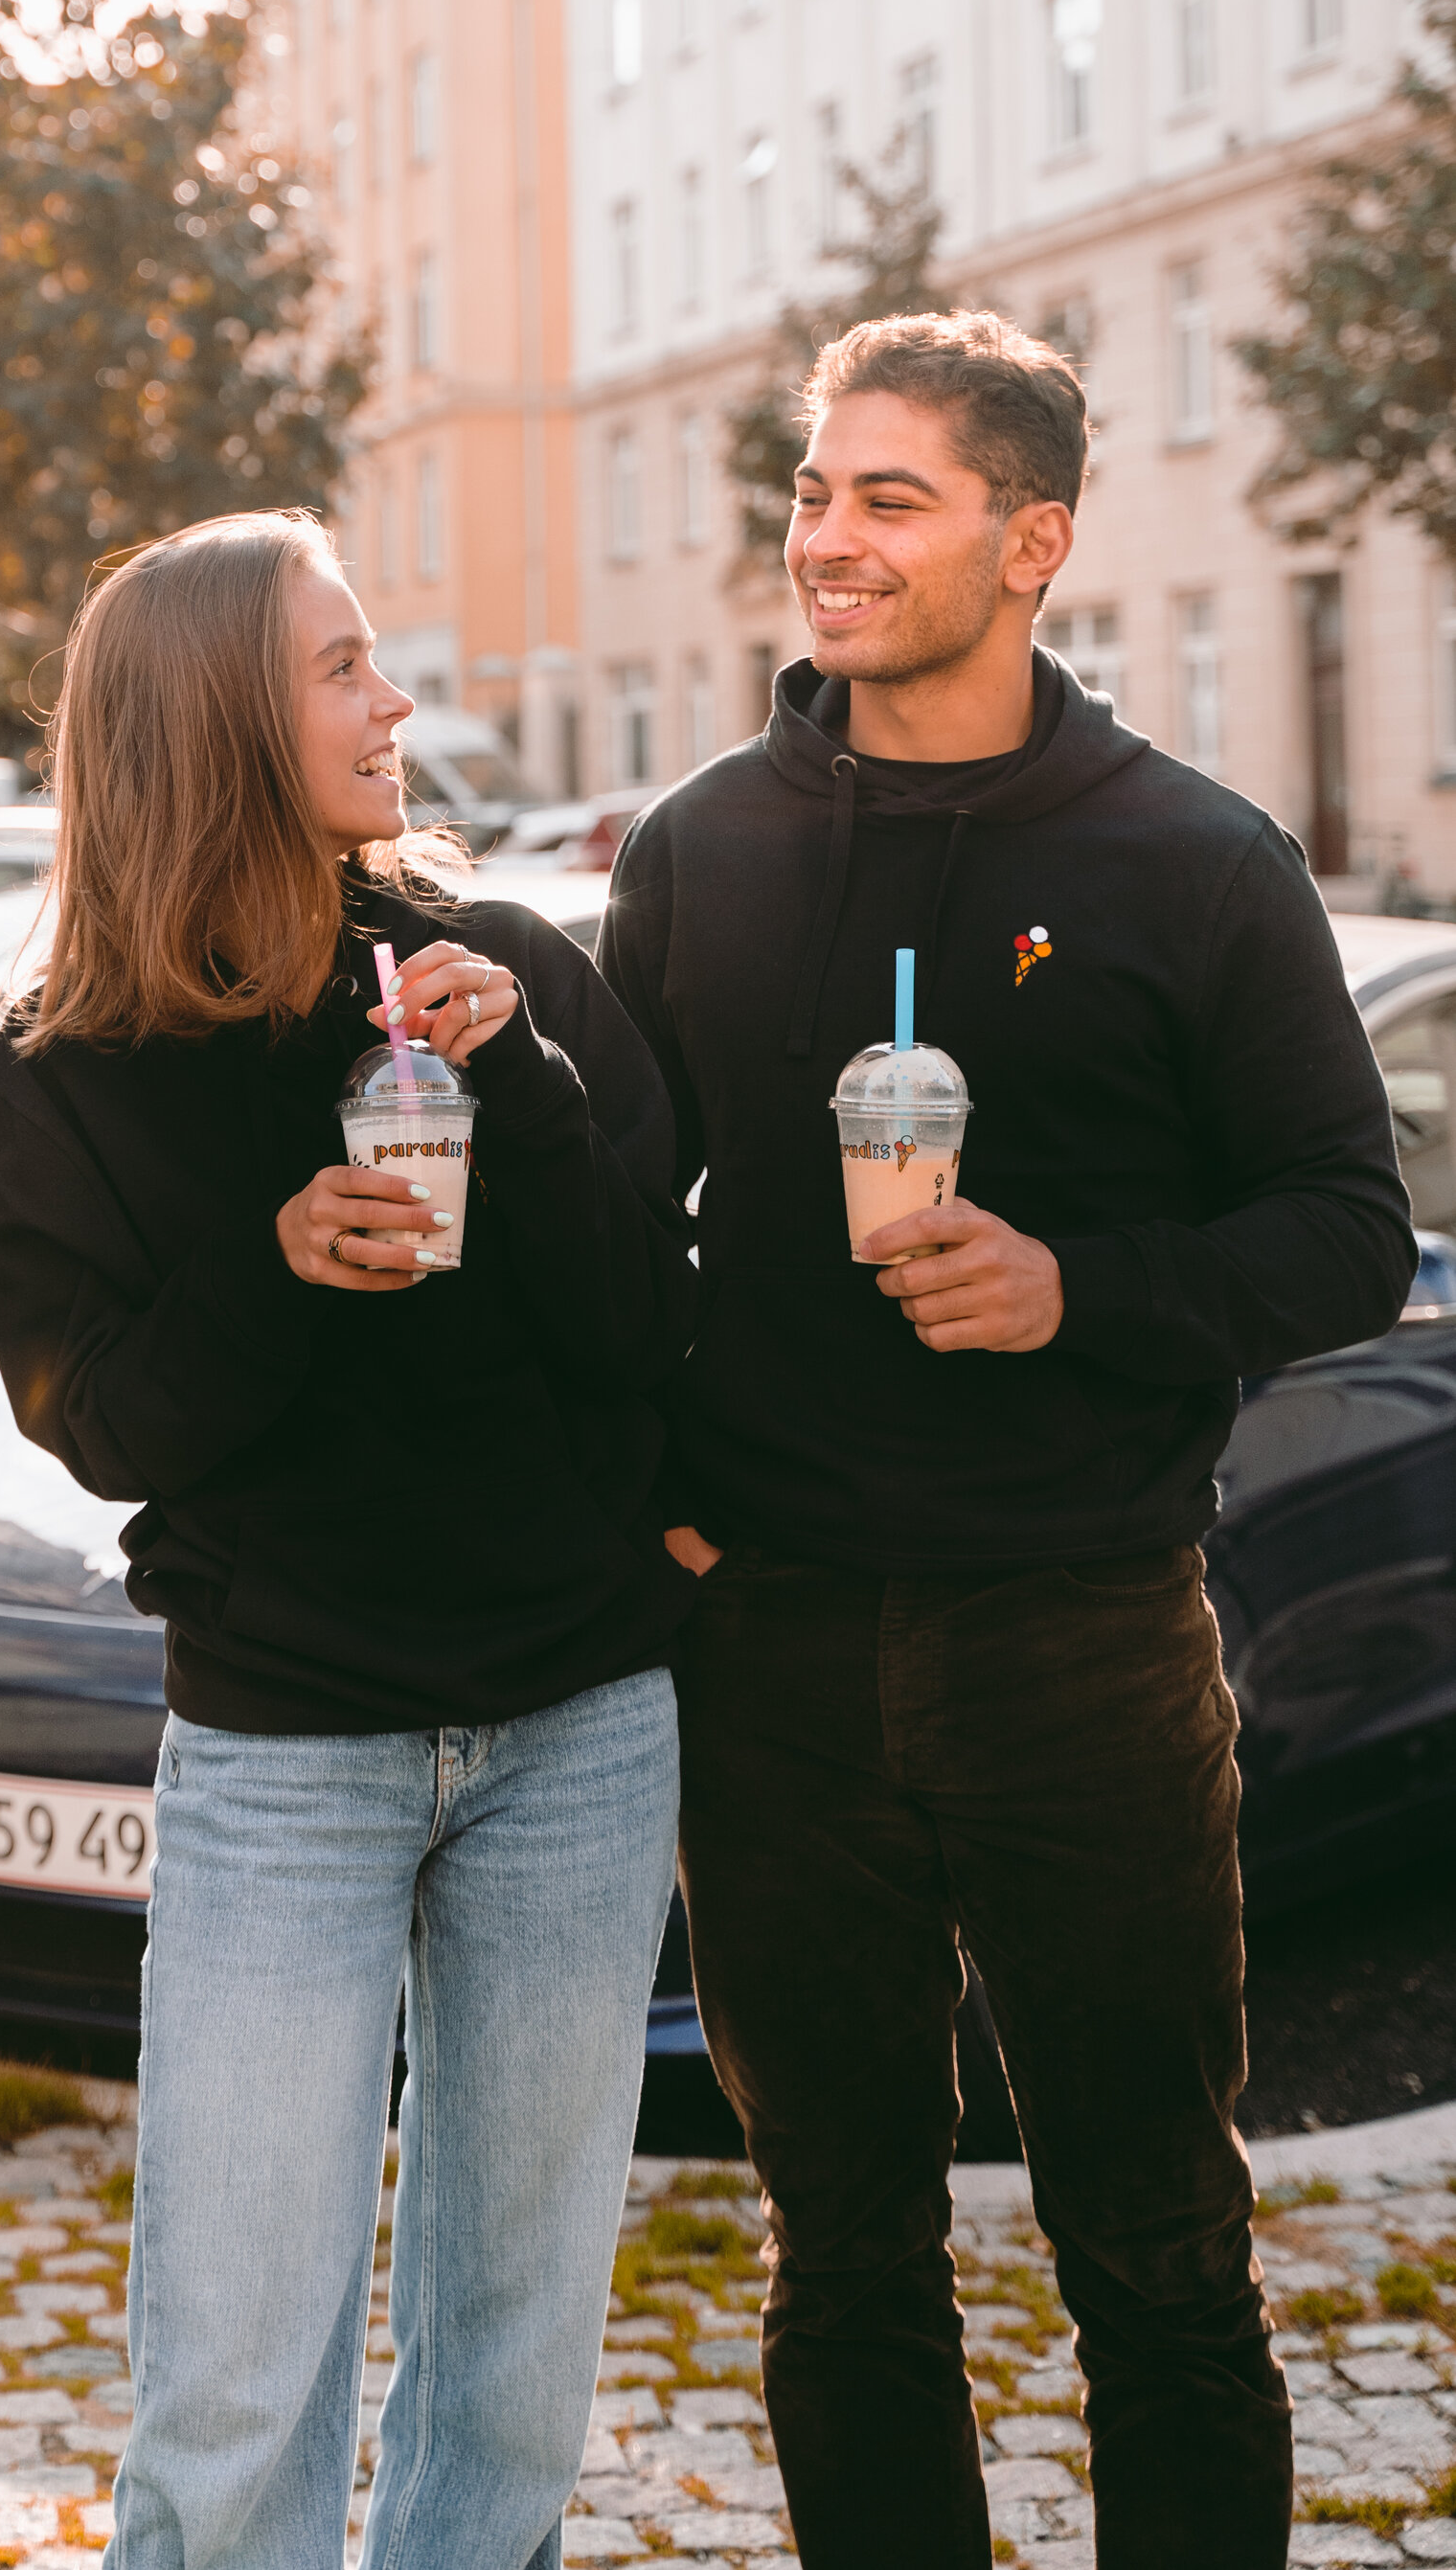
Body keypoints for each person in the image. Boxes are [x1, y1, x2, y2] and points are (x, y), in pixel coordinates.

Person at [598, 312, 1414, 2570]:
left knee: (1154, 2245)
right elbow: (604, 1226)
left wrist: (1081, 1293)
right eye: (812, 493)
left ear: (1029, 540)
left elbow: (1346, 1227)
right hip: (767, 1662)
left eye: (889, 498)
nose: (825, 539)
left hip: (1084, 1642)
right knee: (835, 2255)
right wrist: (662, 1505)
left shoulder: (1195, 861)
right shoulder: (698, 853)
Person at [0, 509, 700, 2570]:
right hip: (285, 1751)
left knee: (512, 2349)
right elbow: (97, 1426)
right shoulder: (66, 1072)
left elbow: (643, 1331)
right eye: (346, 666)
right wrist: (281, 1257)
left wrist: (528, 1084)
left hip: (571, 1727)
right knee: (229, 2366)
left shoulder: (504, 980)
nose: (395, 704)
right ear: (211, 720)